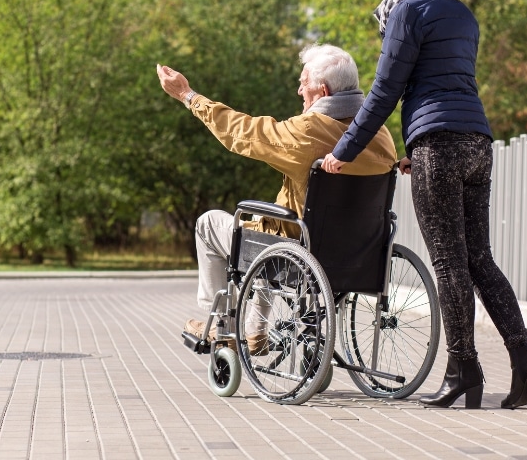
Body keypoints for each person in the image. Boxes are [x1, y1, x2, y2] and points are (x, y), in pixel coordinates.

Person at [322, 0, 527, 409]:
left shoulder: (408, 9)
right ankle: (526, 361)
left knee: (448, 262)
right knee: (478, 258)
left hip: (438, 144)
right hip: (477, 141)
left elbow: (386, 90)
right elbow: (447, 82)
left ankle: (463, 367)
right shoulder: (463, 13)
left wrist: (344, 149)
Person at [157, 43, 397, 354]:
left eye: (303, 82)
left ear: (321, 91)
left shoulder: (306, 132)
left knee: (214, 225)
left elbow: (242, 132)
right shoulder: (381, 135)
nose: (299, 91)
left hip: (301, 253)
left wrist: (189, 97)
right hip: (361, 256)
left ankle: (221, 325)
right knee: (270, 230)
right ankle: (255, 333)